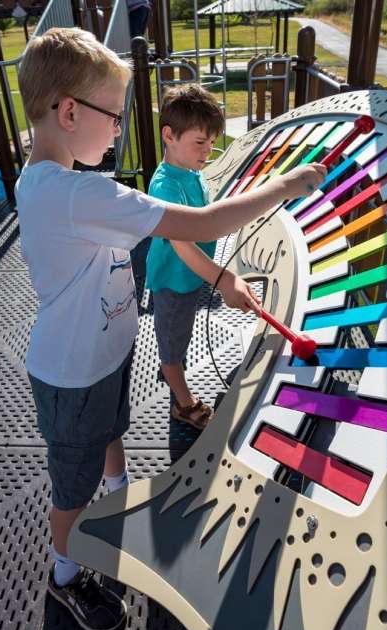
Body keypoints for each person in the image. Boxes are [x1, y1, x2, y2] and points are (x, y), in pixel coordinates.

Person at [16, 26, 326, 630]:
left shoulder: (50, 186)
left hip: (102, 352)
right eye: (114, 114)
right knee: (69, 488)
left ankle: (119, 491)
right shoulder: (76, 194)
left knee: (112, 430)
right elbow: (207, 219)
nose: (118, 129)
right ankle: (65, 575)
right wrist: (289, 185)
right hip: (73, 371)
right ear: (70, 111)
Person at [146, 84, 260, 430]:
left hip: (190, 278)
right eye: (200, 143)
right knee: (172, 341)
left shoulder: (192, 172)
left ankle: (172, 363)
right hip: (172, 282)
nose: (208, 151)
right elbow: (184, 247)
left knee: (179, 333)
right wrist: (224, 279)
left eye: (212, 143)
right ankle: (182, 402)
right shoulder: (165, 186)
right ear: (169, 135)